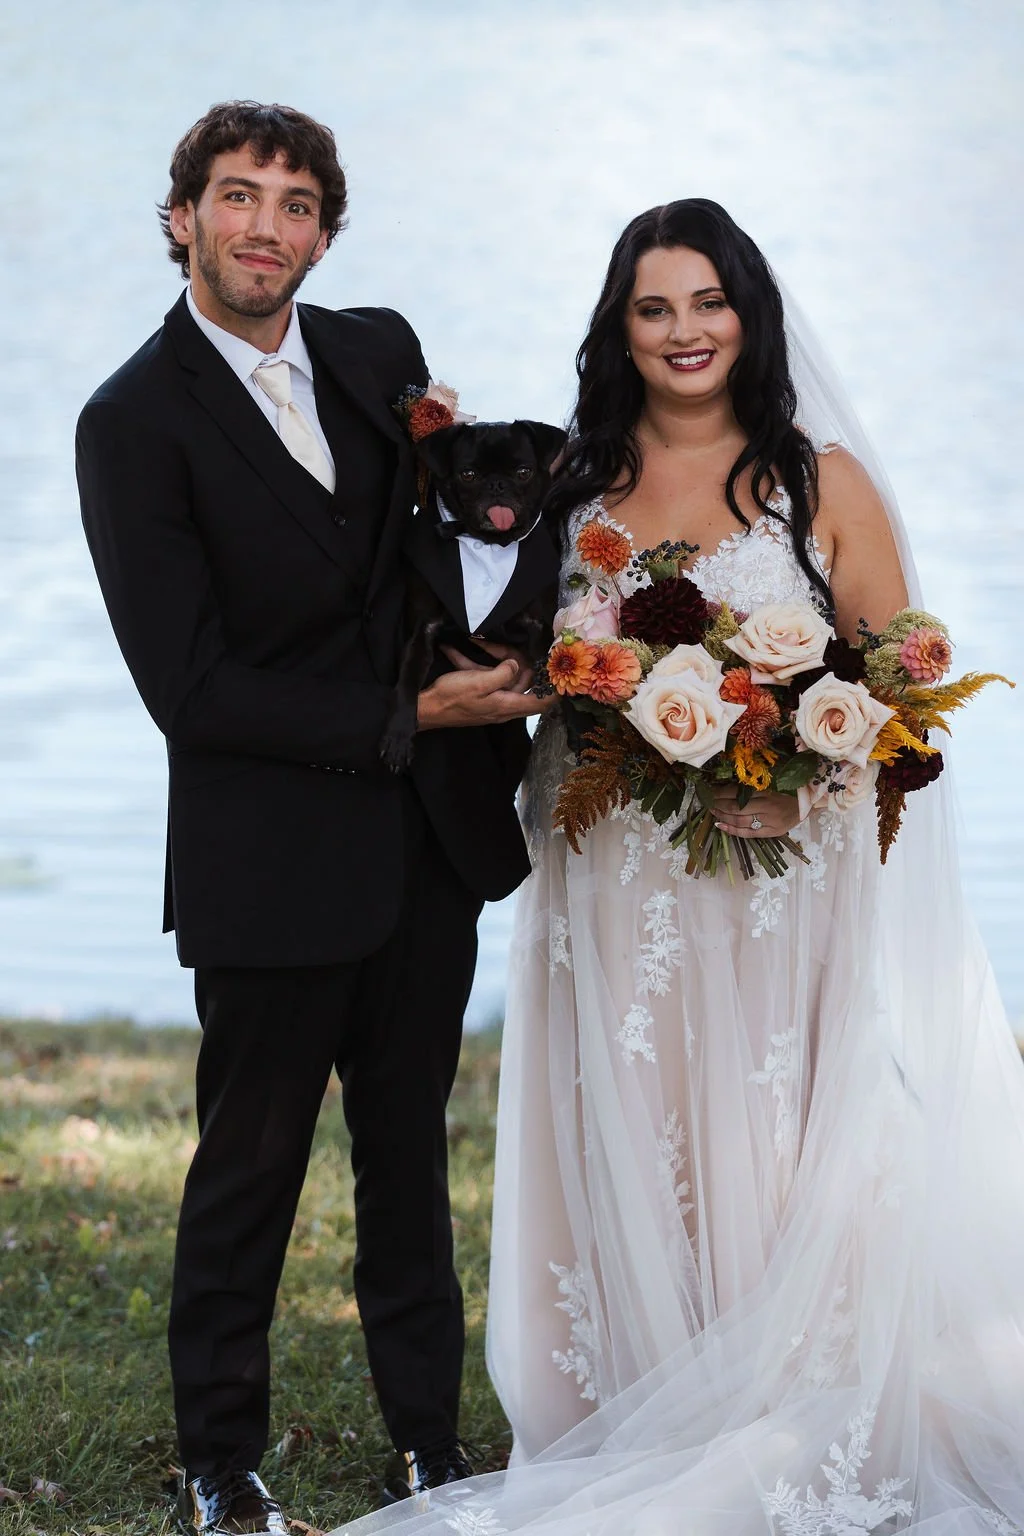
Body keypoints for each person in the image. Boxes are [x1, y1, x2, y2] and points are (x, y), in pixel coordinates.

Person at [337, 201, 1024, 1534]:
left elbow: (893, 682)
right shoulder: (574, 485)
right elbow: (519, 645)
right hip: (612, 875)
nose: (683, 332)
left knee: (768, 1130)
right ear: (622, 330)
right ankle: (635, 1393)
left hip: (778, 883)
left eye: (706, 302)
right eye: (653, 309)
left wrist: (788, 760)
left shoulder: (817, 483)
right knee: (636, 1124)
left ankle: (788, 1390)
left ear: (749, 313)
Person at [76, 100, 545, 1536]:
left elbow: (441, 541)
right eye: (234, 196)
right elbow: (192, 687)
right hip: (269, 864)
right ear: (181, 220)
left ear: (323, 232)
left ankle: (430, 1447)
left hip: (427, 851)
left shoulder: (376, 352)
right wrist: (417, 717)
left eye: (292, 203)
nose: (262, 225)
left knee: (409, 1160)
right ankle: (221, 1464)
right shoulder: (131, 422)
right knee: (248, 1178)